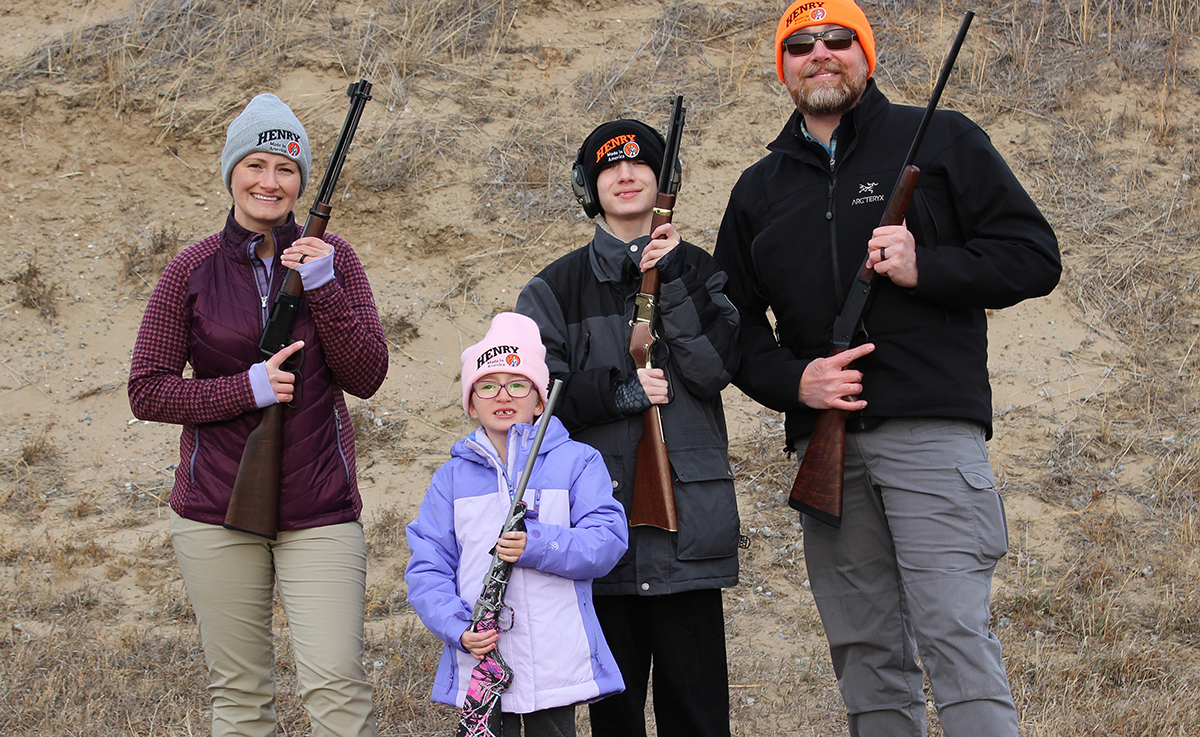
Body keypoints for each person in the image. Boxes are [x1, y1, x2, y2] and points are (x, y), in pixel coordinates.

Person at [712, 1, 1061, 735]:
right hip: (824, 448)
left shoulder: (939, 140)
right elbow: (730, 326)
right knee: (864, 648)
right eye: (801, 44)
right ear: (784, 68)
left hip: (930, 434)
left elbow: (1033, 255)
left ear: (865, 56)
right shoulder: (758, 190)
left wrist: (923, 265)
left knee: (953, 633)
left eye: (839, 39)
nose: (821, 53)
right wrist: (793, 382)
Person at [128, 93, 387, 737]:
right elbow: (148, 390)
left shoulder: (338, 259)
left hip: (320, 507)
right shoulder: (190, 269)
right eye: (256, 165)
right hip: (215, 508)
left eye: (287, 169)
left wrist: (324, 287)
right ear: (232, 173)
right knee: (240, 696)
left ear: (301, 183)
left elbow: (367, 375)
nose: (271, 182)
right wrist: (245, 389)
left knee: (336, 688)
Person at [516, 119, 741, 737]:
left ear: (662, 182)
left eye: (640, 164)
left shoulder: (700, 271)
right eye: (608, 167)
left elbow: (716, 369)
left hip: (685, 527)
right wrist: (618, 392)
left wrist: (670, 288)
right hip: (597, 529)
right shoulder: (553, 287)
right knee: (613, 719)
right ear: (591, 186)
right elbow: (530, 399)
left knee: (697, 716)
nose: (625, 174)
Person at [404, 312, 629, 737]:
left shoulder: (578, 462)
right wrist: (459, 628)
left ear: (541, 398)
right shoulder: (449, 480)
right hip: (481, 657)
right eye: (486, 385)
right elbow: (427, 568)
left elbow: (608, 540)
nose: (502, 394)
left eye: (518, 383)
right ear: (471, 403)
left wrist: (536, 544)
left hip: (556, 663)